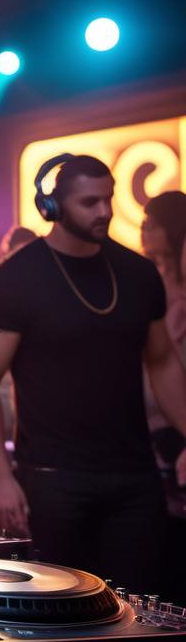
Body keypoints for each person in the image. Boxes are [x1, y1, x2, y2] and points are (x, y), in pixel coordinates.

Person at [0, 154, 186, 589]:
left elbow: (162, 362)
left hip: (135, 476)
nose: (104, 211)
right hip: (52, 479)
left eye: (108, 199)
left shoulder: (138, 274)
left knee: (136, 609)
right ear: (53, 206)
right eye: (90, 202)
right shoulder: (14, 279)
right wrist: (1, 476)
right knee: (59, 613)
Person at [141, 191, 186, 483]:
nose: (143, 230)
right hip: (149, 431)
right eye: (143, 223)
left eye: (153, 224)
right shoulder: (145, 284)